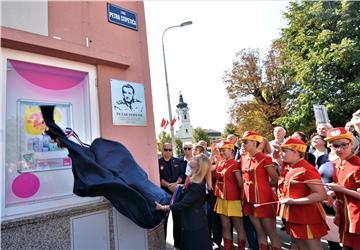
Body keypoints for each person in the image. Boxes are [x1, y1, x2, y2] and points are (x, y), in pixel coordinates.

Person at [277, 137, 329, 250]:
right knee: (301, 246)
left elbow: (321, 195)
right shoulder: (289, 167)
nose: (281, 154)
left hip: (307, 216)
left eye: (284, 151)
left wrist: (294, 201)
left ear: (296, 152)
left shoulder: (306, 169)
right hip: (293, 216)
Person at [155, 154, 212, 250]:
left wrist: (164, 207)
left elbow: (184, 203)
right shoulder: (193, 179)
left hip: (194, 223)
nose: (191, 158)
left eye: (194, 158)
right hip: (192, 220)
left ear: (198, 165)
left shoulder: (197, 184)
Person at [240, 131, 281, 250]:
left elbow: (275, 179)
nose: (243, 144)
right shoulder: (244, 158)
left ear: (254, 142)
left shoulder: (265, 158)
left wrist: (262, 187)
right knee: (260, 233)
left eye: (245, 142)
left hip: (264, 200)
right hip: (249, 200)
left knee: (272, 234)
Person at [325, 127, 360, 250]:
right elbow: (343, 186)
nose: (339, 149)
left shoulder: (358, 165)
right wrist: (332, 193)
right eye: (335, 146)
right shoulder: (337, 163)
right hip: (344, 214)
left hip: (356, 217)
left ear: (351, 144)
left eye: (344, 145)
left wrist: (341, 190)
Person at [213, 141, 246, 250]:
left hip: (234, 199)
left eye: (224, 150)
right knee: (225, 226)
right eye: (220, 150)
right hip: (221, 199)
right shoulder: (220, 163)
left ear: (231, 150)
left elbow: (240, 183)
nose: (222, 152)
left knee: (239, 227)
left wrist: (242, 199)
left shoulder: (235, 163)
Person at [158, 143, 184, 248]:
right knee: (164, 220)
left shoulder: (178, 161)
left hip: (177, 194)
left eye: (170, 150)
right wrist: (168, 185)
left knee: (177, 221)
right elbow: (158, 177)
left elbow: (182, 175)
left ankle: (177, 245)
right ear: (162, 150)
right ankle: (162, 245)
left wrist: (176, 184)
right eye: (166, 149)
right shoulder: (158, 162)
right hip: (164, 194)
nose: (168, 151)